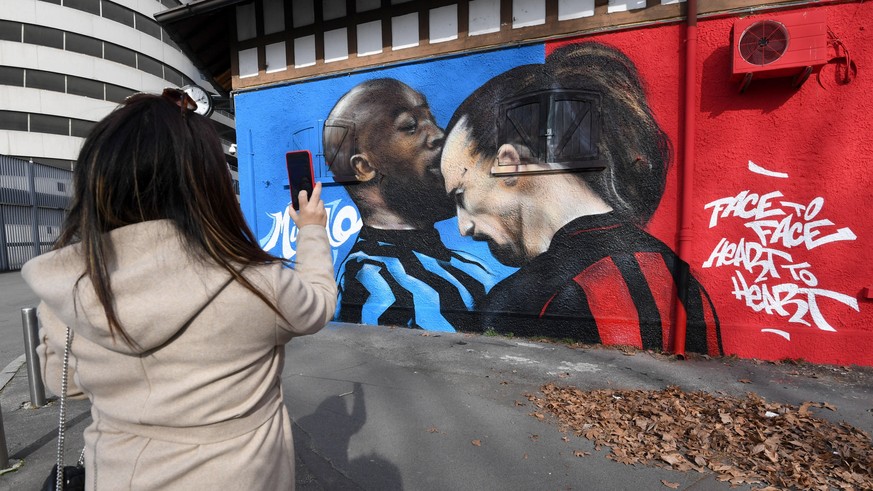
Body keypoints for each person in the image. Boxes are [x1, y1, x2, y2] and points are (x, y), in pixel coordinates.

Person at [21, 89, 337, 489]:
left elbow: (64, 385)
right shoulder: (257, 285)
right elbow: (318, 305)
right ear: (209, 186)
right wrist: (311, 229)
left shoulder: (76, 286)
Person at [440, 42, 722, 355]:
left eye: (462, 195)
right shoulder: (680, 277)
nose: (463, 226)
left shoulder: (518, 305)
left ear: (509, 164)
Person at [324, 78, 492, 332]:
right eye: (410, 126)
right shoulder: (372, 283)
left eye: (431, 119)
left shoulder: (467, 265)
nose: (439, 135)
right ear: (364, 167)